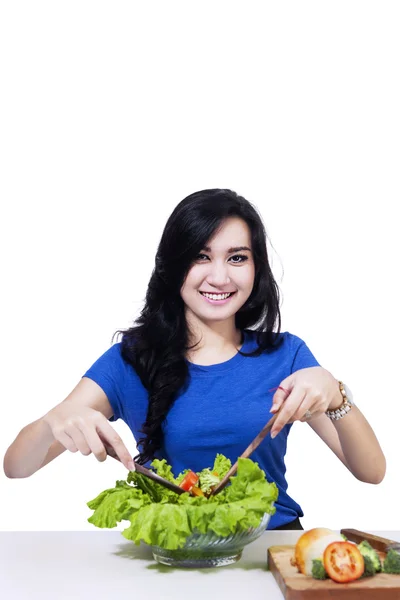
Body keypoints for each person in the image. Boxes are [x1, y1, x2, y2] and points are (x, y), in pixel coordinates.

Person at [3, 188, 386, 530]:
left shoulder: (287, 355)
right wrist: (54, 422)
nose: (219, 277)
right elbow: (17, 467)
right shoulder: (130, 360)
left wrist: (335, 393)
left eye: (237, 258)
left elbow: (371, 471)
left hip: (270, 549)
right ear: (174, 267)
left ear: (256, 270)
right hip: (170, 550)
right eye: (201, 256)